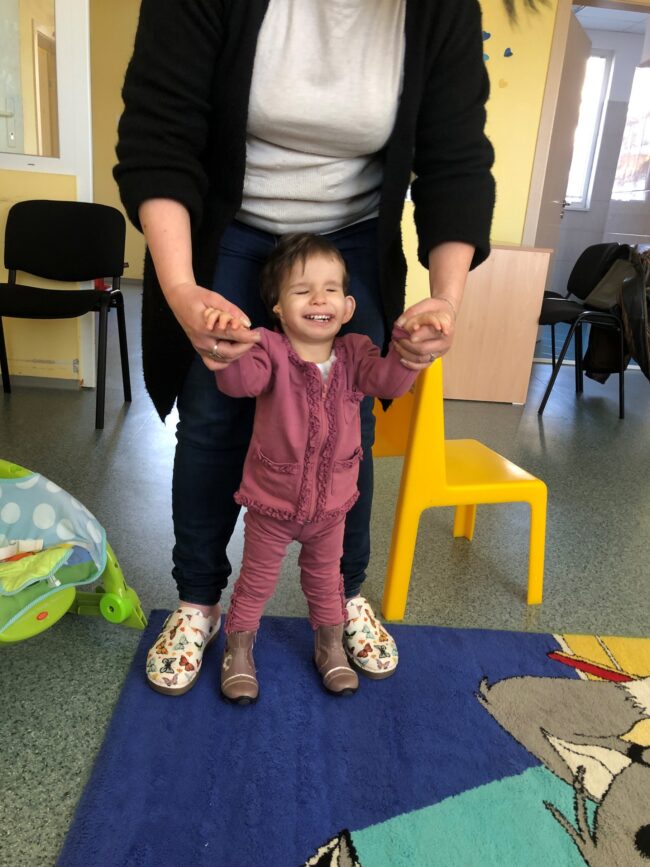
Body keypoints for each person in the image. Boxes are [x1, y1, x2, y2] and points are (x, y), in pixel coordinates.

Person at [115, 0, 541, 696]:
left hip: (353, 238)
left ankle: (342, 597)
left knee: (352, 422)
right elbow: (159, 136)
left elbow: (457, 158)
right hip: (230, 227)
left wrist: (443, 303)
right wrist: (182, 287)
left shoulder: (438, 11)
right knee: (212, 417)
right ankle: (198, 602)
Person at [198, 233, 443, 703]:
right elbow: (240, 383)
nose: (318, 299)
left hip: (331, 508)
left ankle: (329, 646)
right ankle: (239, 650)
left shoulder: (356, 352)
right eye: (302, 290)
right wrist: (225, 351)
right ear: (277, 306)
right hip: (272, 503)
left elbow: (388, 382)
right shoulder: (268, 349)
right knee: (255, 583)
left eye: (331, 289)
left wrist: (406, 353)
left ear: (348, 307)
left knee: (327, 582)